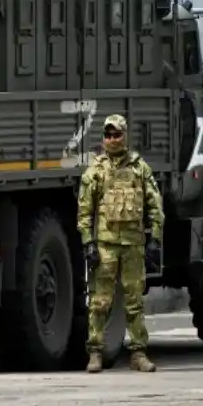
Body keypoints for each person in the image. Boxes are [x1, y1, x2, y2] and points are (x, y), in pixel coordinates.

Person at [77, 114, 163, 373]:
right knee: (100, 302)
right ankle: (95, 353)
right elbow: (84, 212)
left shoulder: (139, 168)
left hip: (133, 245)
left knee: (134, 301)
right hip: (105, 245)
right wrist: (88, 243)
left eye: (116, 135)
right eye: (108, 135)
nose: (112, 139)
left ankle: (138, 353)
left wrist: (155, 239)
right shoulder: (96, 171)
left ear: (125, 136)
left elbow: (155, 206)